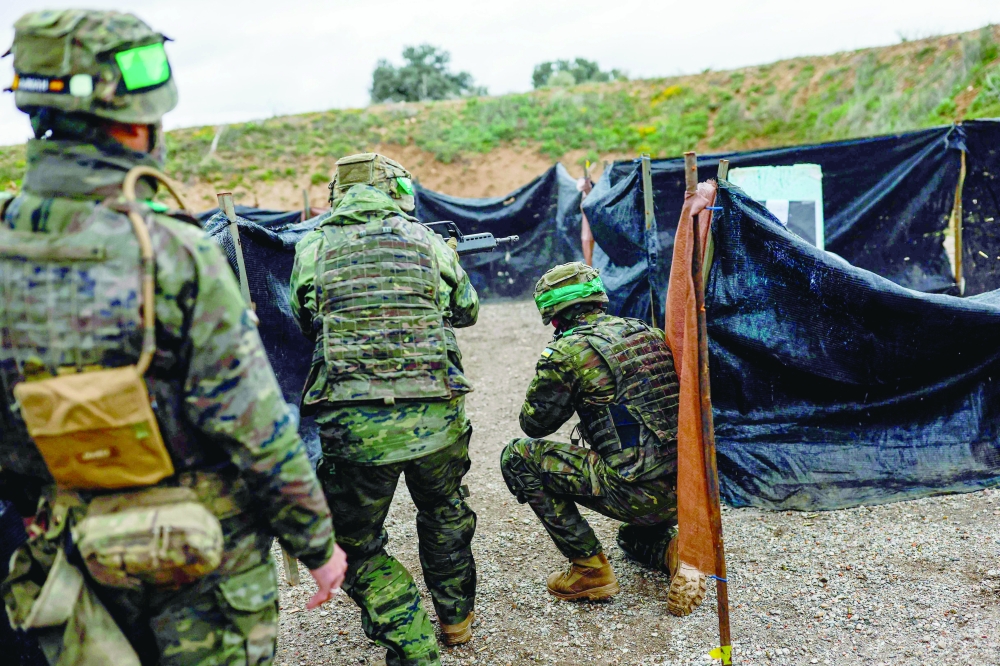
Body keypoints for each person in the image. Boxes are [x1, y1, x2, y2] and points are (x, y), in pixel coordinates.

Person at [0, 9, 346, 665]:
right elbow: (255, 424)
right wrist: (317, 546)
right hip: (200, 568)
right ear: (130, 118)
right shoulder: (173, 250)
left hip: (64, 563)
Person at [290, 153, 479, 666]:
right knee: (444, 512)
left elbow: (307, 319)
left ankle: (412, 641)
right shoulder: (427, 240)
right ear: (394, 188)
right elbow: (467, 311)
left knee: (352, 544)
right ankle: (454, 620)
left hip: (354, 429)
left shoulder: (314, 244)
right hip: (437, 418)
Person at [500, 262, 694, 604]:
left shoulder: (567, 352)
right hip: (686, 492)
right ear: (599, 299)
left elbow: (534, 425)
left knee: (518, 457)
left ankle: (589, 570)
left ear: (553, 315)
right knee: (631, 539)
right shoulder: (646, 332)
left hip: (636, 491)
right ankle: (676, 549)